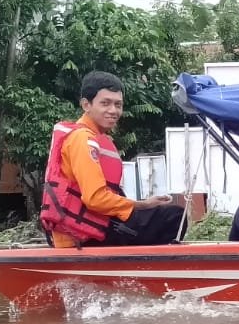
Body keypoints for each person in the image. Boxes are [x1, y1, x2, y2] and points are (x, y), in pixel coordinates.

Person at [40, 71, 183, 248]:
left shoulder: (96, 138)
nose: (113, 111)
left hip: (94, 227)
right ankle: (146, 272)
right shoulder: (83, 139)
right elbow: (95, 199)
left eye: (118, 104)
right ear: (86, 104)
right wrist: (142, 205)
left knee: (161, 215)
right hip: (85, 236)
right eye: (105, 103)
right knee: (174, 216)